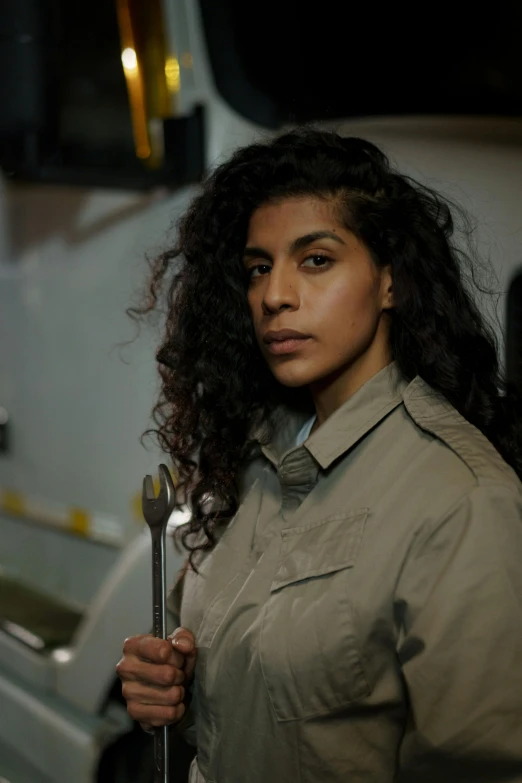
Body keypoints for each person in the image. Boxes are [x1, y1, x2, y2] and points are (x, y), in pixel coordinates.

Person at [116, 128, 522, 783]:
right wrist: (172, 684)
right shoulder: (256, 459)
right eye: (258, 267)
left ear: (389, 281)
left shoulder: (463, 500)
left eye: (316, 260)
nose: (274, 295)